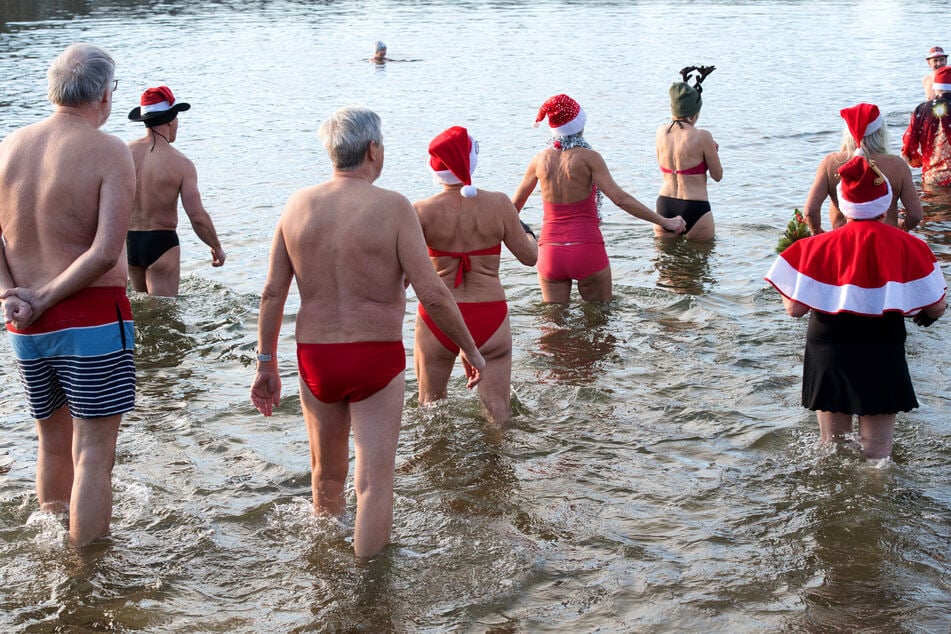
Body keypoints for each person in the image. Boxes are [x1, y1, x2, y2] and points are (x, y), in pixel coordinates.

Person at [250, 107, 485, 558]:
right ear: (373, 150)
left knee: (326, 477)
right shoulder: (393, 206)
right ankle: (368, 589)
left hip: (316, 356)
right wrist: (469, 349)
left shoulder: (297, 205)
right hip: (374, 354)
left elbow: (272, 293)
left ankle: (326, 578)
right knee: (375, 484)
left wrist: (265, 363)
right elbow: (432, 293)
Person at [0, 43, 137, 546]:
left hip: (25, 324)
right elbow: (104, 253)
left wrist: (14, 296)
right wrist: (47, 295)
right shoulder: (109, 151)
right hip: (90, 318)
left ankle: (52, 547)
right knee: (94, 456)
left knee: (52, 447)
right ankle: (84, 576)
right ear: (103, 94)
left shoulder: (9, 145)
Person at [765, 153, 946, 459]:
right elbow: (937, 307)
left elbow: (794, 309)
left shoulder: (813, 246)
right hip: (882, 344)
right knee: (878, 453)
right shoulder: (911, 244)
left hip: (829, 348)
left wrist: (805, 287)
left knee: (832, 448)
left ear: (844, 204)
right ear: (883, 204)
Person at [413, 126, 537, 425]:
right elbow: (530, 258)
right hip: (489, 314)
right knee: (498, 410)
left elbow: (405, 276)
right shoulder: (499, 204)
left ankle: (436, 466)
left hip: (438, 317)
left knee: (430, 408)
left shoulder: (420, 211)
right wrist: (530, 233)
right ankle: (499, 468)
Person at [512, 94, 686, 303]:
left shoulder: (539, 160)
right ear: (580, 124)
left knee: (553, 329)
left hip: (550, 253)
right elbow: (620, 199)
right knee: (600, 323)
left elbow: (512, 209)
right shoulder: (589, 158)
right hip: (586, 248)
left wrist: (525, 239)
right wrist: (665, 221)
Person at [126, 86, 226, 296]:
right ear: (171, 119)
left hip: (129, 243)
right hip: (162, 242)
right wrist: (216, 246)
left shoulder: (123, 154)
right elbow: (197, 216)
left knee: (142, 315)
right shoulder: (181, 164)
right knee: (164, 314)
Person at [805, 103, 923, 233]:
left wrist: (819, 234)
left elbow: (810, 211)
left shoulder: (830, 163)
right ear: (880, 132)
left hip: (845, 240)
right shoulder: (897, 165)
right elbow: (915, 214)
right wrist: (902, 229)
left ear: (848, 133)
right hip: (885, 240)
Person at [655, 66, 723, 241]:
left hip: (664, 205)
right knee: (699, 265)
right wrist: (712, 151)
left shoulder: (660, 132)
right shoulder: (703, 136)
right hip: (696, 207)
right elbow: (717, 175)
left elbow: (662, 165)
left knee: (665, 266)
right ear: (696, 112)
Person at [902, 65, 951, 188]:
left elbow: (909, 146)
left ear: (935, 87)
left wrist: (918, 161)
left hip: (933, 177)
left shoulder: (921, 110)